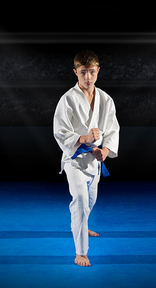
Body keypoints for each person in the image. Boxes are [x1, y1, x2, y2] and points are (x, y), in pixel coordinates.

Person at [53, 50, 119, 267]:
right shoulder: (68, 100)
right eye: (83, 72)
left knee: (90, 201)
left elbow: (112, 130)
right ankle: (81, 252)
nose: (88, 77)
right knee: (80, 202)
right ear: (76, 72)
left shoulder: (106, 100)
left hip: (95, 162)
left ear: (98, 71)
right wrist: (83, 138)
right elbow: (60, 131)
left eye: (92, 72)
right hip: (75, 160)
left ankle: (82, 224)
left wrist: (106, 151)